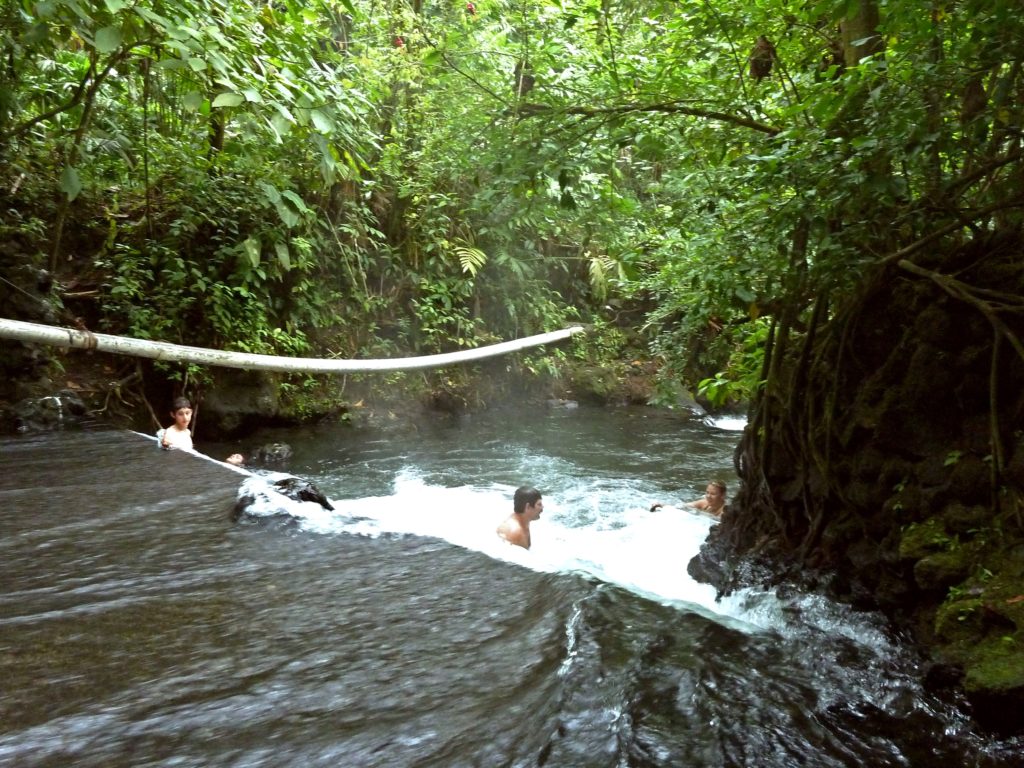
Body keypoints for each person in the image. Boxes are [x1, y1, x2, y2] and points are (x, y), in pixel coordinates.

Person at [496, 486, 543, 550]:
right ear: (528, 506)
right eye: (539, 504)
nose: (542, 507)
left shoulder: (522, 521)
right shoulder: (517, 533)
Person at [650, 480, 727, 517]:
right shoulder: (704, 503)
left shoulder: (725, 512)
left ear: (722, 495)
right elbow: (683, 506)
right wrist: (663, 506)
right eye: (707, 492)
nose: (708, 496)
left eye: (713, 494)